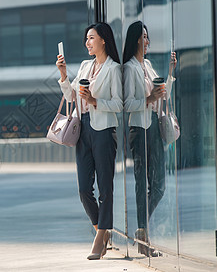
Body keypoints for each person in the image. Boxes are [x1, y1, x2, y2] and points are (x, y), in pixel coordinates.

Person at [56, 22, 122, 260]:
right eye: (86, 39)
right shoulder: (85, 66)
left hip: (104, 130)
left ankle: (99, 238)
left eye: (91, 38)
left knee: (105, 187)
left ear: (103, 40)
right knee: (84, 189)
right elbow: (71, 97)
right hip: (83, 129)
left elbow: (120, 104)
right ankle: (101, 231)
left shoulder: (115, 69)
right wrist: (64, 74)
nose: (87, 43)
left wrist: (95, 101)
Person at [123, 21, 177, 256]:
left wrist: (170, 74)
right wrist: (148, 98)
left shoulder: (148, 65)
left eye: (148, 37)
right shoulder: (129, 68)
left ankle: (142, 230)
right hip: (139, 129)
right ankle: (143, 234)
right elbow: (125, 104)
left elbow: (161, 98)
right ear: (136, 39)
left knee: (159, 186)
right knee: (141, 182)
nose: (148, 41)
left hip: (154, 127)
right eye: (144, 37)